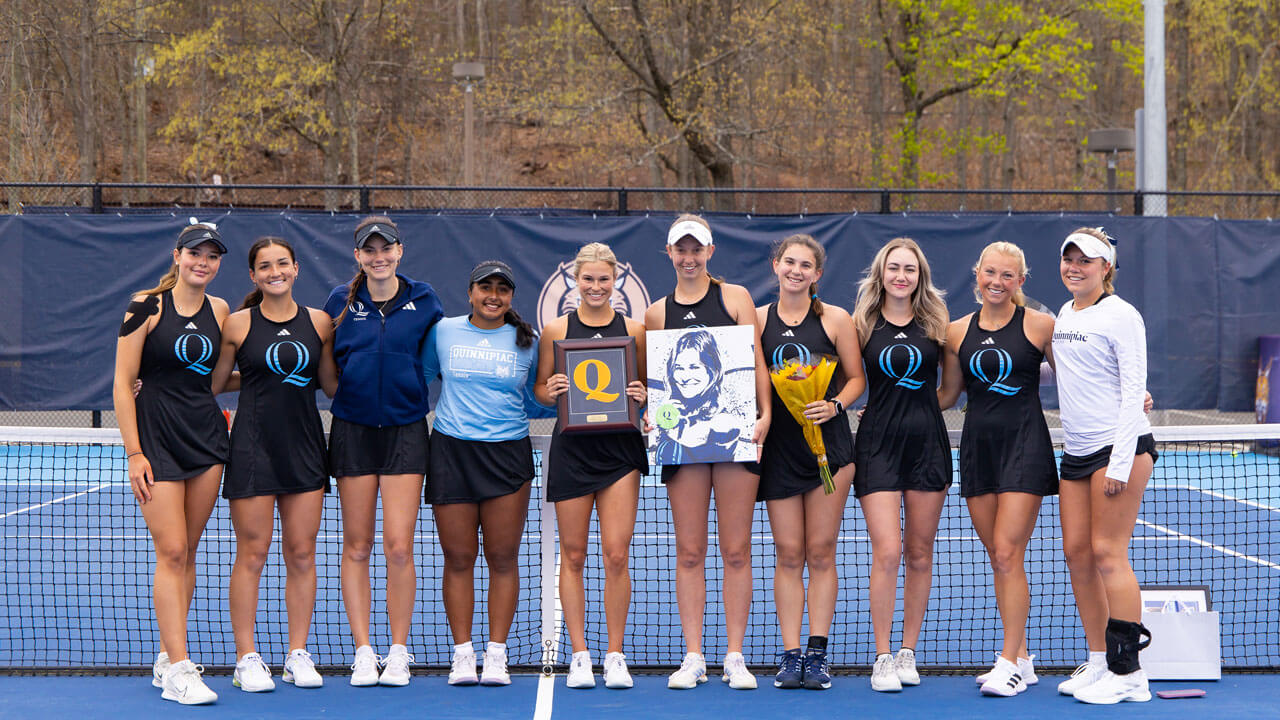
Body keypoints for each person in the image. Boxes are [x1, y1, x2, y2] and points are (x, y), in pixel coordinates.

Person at [643, 214, 771, 691]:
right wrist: (651, 417)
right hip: (681, 448)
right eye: (681, 250)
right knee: (691, 550)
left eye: (697, 249)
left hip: (739, 441)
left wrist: (765, 416)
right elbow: (653, 388)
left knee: (736, 550)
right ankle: (694, 655)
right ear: (670, 254)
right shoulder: (656, 313)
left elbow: (756, 363)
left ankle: (734, 656)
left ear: (710, 252)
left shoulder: (735, 298)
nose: (689, 258)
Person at [208, 237, 337, 692]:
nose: (274, 271)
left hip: (304, 451)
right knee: (253, 555)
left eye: (282, 263)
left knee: (302, 554)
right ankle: (247, 658)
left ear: (296, 268)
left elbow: (330, 384)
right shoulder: (237, 324)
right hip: (252, 450)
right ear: (253, 275)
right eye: (265, 266)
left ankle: (297, 654)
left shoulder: (320, 322)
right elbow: (216, 383)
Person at [112, 221, 231, 705]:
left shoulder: (221, 310)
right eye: (194, 253)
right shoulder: (145, 305)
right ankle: (181, 669)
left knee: (190, 550)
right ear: (177, 255)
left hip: (205, 437)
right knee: (173, 551)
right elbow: (123, 381)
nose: (202, 262)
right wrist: (134, 452)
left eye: (211, 255)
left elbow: (218, 377)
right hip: (156, 440)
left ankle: (167, 656)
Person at [323, 216, 444, 687]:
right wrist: (347, 398)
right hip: (352, 433)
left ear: (400, 251)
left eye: (386, 248)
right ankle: (363, 650)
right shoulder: (339, 302)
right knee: (357, 546)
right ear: (358, 256)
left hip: (406, 433)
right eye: (369, 250)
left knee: (398, 546)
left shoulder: (424, 299)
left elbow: (436, 358)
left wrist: (409, 393)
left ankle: (397, 650)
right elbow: (327, 367)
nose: (378, 256)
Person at [422, 260, 554, 687]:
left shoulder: (529, 341)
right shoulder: (443, 332)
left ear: (511, 296)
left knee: (501, 557)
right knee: (459, 558)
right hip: (451, 452)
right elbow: (420, 378)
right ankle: (463, 654)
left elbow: (536, 399)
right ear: (471, 292)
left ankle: (496, 654)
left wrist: (554, 398)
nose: (493, 295)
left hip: (507, 455)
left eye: (502, 289)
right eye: (485, 287)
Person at [937, 241, 1057, 697]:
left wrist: (1133, 397)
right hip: (978, 449)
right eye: (991, 272)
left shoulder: (1042, 326)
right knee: (998, 556)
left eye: (1008, 276)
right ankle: (1022, 658)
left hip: (1026, 446)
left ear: (1021, 282)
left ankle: (1007, 660)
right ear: (977, 274)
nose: (997, 282)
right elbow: (947, 396)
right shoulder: (954, 332)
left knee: (1007, 553)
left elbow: (1079, 376)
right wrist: (887, 411)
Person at [1051, 227, 1156, 704]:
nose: (1075, 266)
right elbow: (1067, 369)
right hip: (1075, 452)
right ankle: (1098, 662)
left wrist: (1119, 463)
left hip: (1121, 450)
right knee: (1077, 553)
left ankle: (1128, 672)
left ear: (1105, 268)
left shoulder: (1122, 315)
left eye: (1086, 261)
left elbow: (1135, 388)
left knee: (1108, 553)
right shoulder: (1064, 314)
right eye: (1069, 259)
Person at [536, 242, 648, 690]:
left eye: (604, 279)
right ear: (576, 281)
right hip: (572, 451)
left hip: (620, 453)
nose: (596, 286)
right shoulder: (555, 329)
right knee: (575, 554)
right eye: (588, 279)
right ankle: (580, 654)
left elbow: (654, 391)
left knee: (617, 553)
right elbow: (542, 391)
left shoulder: (635, 331)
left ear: (616, 279)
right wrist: (553, 388)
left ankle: (614, 654)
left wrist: (643, 396)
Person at [755, 234, 864, 690]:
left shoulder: (836, 319)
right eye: (789, 262)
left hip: (830, 452)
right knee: (788, 554)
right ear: (775, 265)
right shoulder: (758, 320)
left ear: (817, 274)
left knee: (820, 553)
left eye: (806, 266)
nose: (796, 271)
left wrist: (835, 404)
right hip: (780, 451)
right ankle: (791, 654)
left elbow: (857, 378)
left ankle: (817, 655)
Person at [850, 237, 955, 692]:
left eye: (909, 269)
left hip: (927, 446)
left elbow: (950, 390)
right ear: (881, 273)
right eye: (894, 268)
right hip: (876, 448)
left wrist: (917, 411)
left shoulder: (938, 323)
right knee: (888, 551)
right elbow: (851, 380)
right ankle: (882, 655)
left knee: (919, 552)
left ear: (920, 276)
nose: (901, 275)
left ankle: (908, 651)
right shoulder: (860, 324)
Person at [652, 330, 753, 464]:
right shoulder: (674, 412)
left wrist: (664, 420)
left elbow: (694, 440)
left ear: (712, 371)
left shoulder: (724, 422)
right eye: (679, 368)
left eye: (694, 367)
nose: (684, 377)